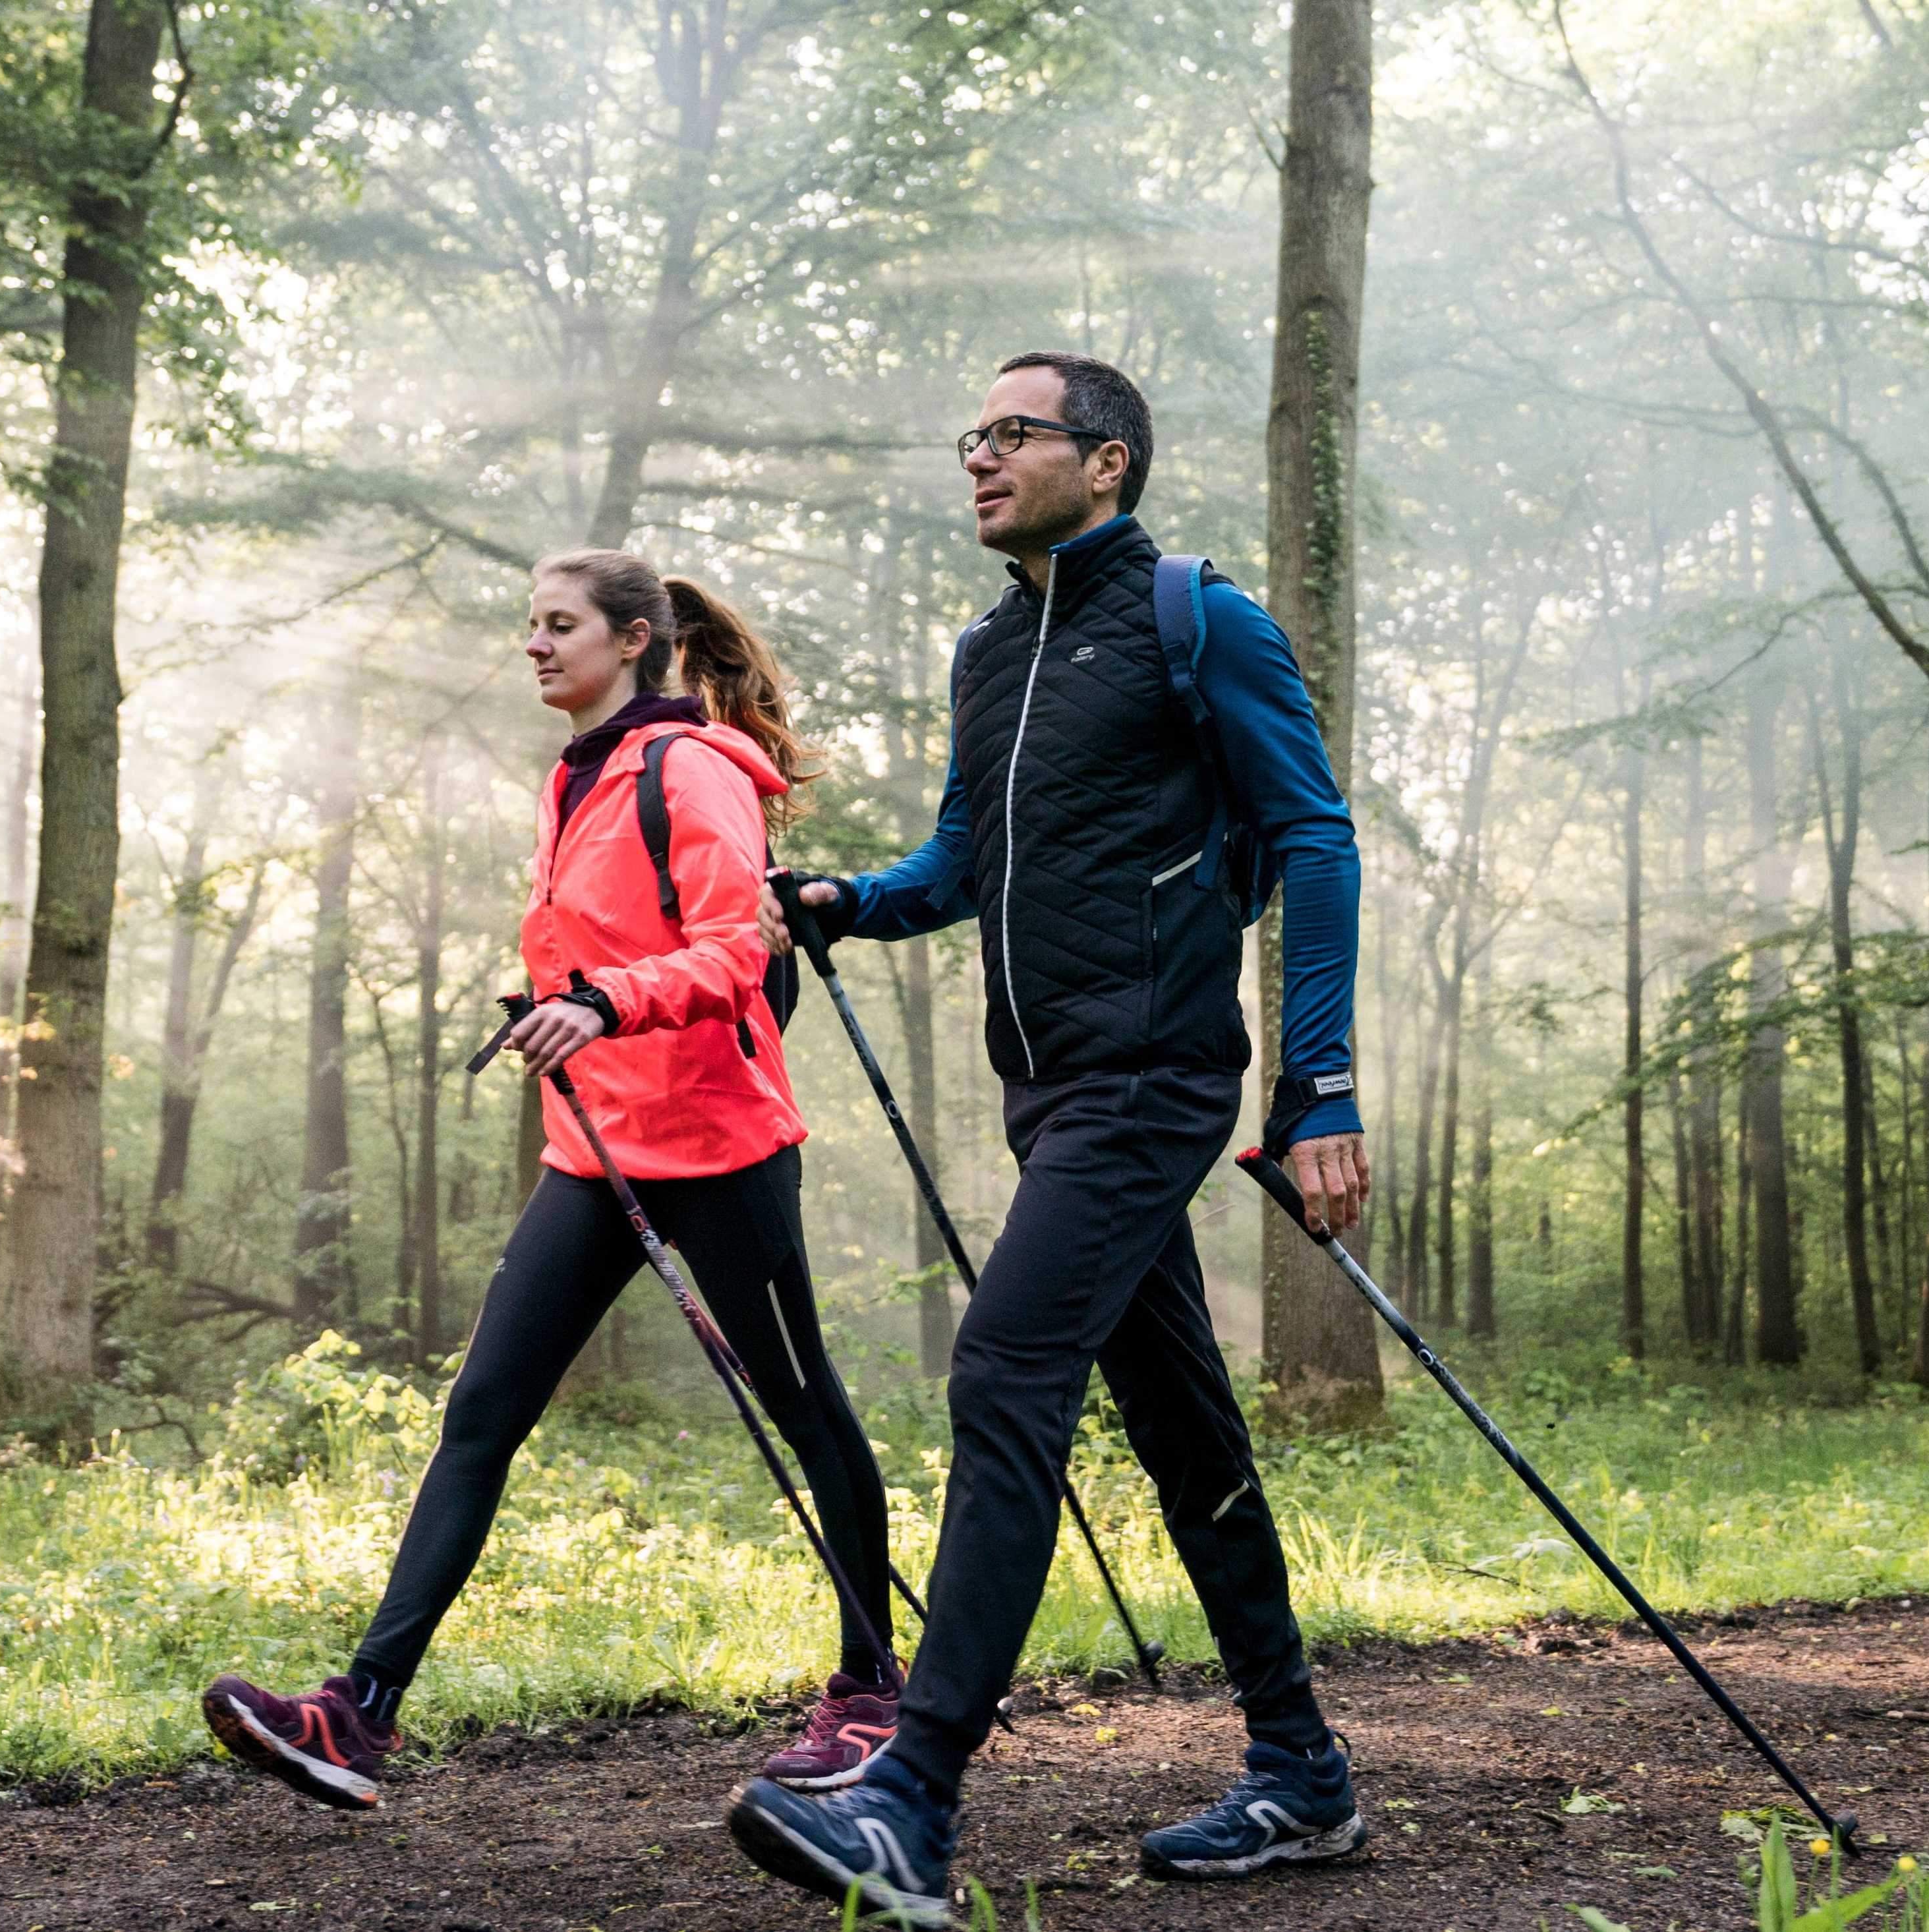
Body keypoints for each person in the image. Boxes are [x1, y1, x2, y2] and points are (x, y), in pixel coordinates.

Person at [726, 353, 1374, 1925]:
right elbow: (965, 852)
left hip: (1150, 1081)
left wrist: (1319, 1090)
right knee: (1183, 1429)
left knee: (1004, 1370)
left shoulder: (1194, 617)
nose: (977, 456)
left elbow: (1311, 837)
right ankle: (1300, 1770)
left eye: (1010, 431)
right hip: (1051, 1093)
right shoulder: (989, 648)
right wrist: (850, 900)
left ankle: (914, 1796)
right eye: (971, 434)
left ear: (1108, 459)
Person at [202, 550, 902, 1809]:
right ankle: (359, 1714)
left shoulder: (689, 770)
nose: (534, 643)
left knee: (805, 1410)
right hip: (592, 1153)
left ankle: (873, 1696)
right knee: (482, 1413)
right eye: (528, 624)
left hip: (721, 1148)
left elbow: (737, 950)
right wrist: (567, 1004)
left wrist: (601, 1002)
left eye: (559, 624)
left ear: (634, 639)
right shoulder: (575, 774)